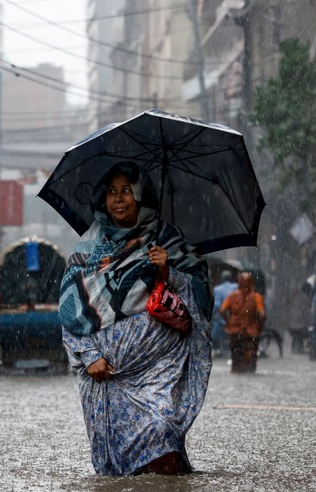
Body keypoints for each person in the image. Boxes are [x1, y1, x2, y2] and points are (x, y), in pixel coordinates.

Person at [60, 161, 213, 476]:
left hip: (158, 370)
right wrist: (90, 356)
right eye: (112, 192)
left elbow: (200, 293)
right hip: (102, 375)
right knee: (118, 469)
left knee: (161, 428)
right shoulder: (88, 248)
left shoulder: (167, 239)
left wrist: (168, 271)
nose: (118, 199)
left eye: (127, 191)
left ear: (141, 196)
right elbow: (70, 309)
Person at [219, 272, 265, 373]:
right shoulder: (257, 297)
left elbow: (222, 310)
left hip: (235, 332)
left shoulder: (232, 296)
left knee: (236, 359)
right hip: (251, 333)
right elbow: (262, 314)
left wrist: (229, 321)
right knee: (251, 360)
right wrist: (259, 326)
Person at [212, 270, 238, 357]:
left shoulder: (217, 289)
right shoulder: (236, 287)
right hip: (234, 316)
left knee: (216, 334)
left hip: (221, 316)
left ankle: (218, 349)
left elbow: (217, 305)